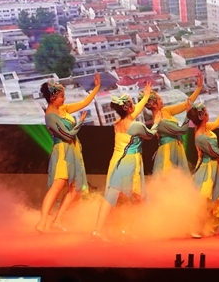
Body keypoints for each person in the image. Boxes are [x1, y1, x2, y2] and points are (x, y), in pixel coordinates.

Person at [91, 83, 163, 241]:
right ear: (128, 108)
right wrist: (157, 121)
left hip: (117, 160)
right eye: (132, 103)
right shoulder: (135, 125)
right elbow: (150, 134)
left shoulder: (119, 122)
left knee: (117, 196)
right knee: (137, 197)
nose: (134, 106)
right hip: (128, 163)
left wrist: (145, 96)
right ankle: (119, 228)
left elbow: (134, 112)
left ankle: (112, 229)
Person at [36, 73, 101, 233]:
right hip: (62, 152)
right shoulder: (50, 116)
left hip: (73, 150)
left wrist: (96, 88)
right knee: (57, 187)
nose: (64, 99)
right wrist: (80, 123)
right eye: (61, 96)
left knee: (75, 188)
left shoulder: (62, 109)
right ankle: (42, 222)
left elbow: (84, 103)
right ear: (53, 98)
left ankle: (57, 220)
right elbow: (68, 135)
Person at [142, 72, 204, 177]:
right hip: (168, 151)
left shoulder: (165, 110)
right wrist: (188, 115)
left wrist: (198, 88)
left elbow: (186, 104)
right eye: (159, 99)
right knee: (169, 179)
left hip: (177, 148)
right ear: (153, 104)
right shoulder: (158, 122)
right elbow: (181, 130)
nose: (162, 100)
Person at [188, 101, 219, 238]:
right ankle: (195, 227)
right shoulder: (200, 137)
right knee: (203, 199)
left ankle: (206, 226)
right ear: (202, 117)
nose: (208, 115)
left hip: (214, 168)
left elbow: (218, 122)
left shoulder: (206, 128)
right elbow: (216, 153)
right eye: (206, 113)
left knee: (212, 199)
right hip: (206, 170)